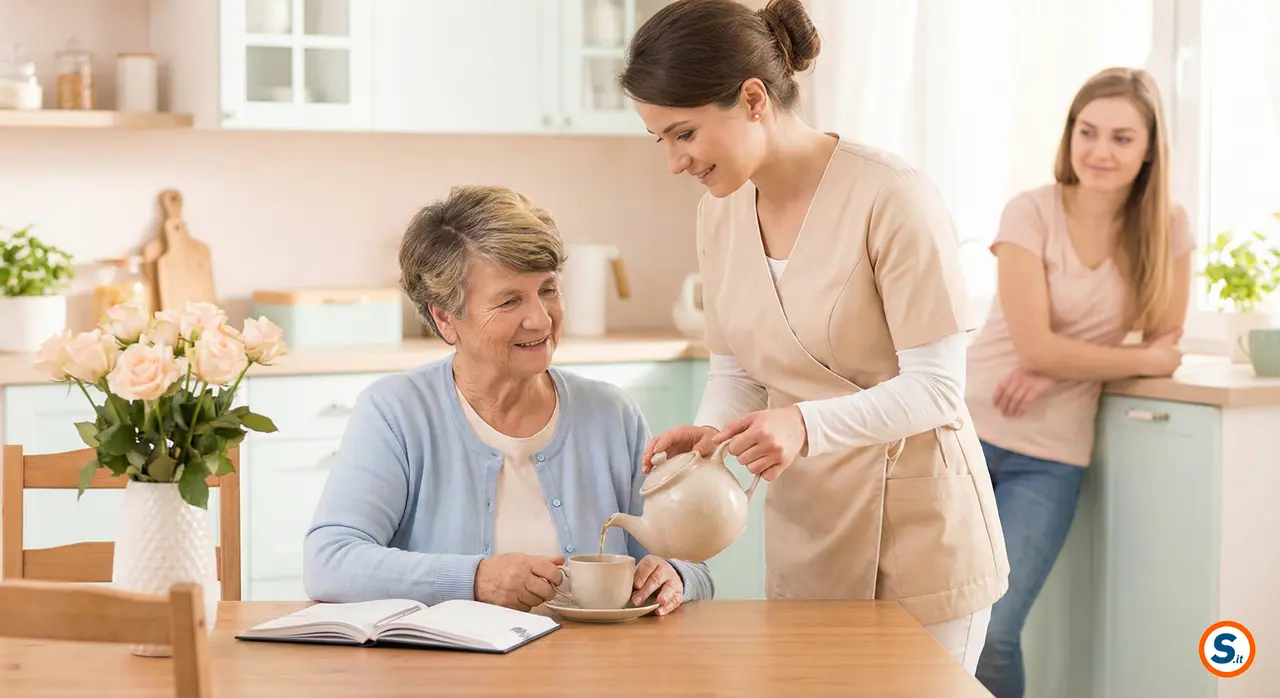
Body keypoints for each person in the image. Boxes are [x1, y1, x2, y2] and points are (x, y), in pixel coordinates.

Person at [619, 0, 1009, 672]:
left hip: (918, 537)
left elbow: (939, 390)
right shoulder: (719, 217)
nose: (675, 163)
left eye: (684, 134)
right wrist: (712, 435)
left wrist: (802, 426)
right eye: (662, 140)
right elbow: (737, 370)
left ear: (752, 99)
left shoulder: (893, 196)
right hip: (811, 534)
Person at [302, 184, 714, 616]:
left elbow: (687, 556)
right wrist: (477, 579)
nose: (539, 318)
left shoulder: (612, 414)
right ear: (445, 318)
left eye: (548, 290)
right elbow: (329, 562)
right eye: (509, 300)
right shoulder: (396, 412)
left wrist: (675, 575)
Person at [964, 67, 1191, 698]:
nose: (1099, 150)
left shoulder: (1167, 226)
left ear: (1149, 148)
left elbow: (1167, 348)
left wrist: (1058, 362)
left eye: (1122, 137)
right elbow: (1040, 344)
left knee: (998, 629)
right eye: (1087, 132)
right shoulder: (1029, 211)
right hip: (969, 434)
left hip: (1052, 455)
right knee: (941, 624)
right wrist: (1055, 359)